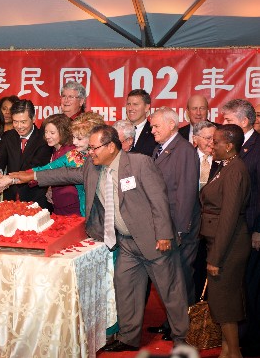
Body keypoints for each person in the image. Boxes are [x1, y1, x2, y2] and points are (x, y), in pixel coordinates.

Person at [11, 125, 189, 351]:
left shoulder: (139, 163)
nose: (90, 152)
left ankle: (182, 338)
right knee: (125, 289)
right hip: (126, 243)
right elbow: (65, 173)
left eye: (94, 148)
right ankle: (129, 338)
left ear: (111, 147)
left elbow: (159, 200)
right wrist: (31, 175)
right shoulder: (93, 168)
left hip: (154, 240)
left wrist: (164, 234)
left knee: (170, 290)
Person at [148, 107, 200, 340]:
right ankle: (171, 322)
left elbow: (187, 193)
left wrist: (179, 229)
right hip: (165, 225)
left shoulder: (184, 151)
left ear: (172, 125)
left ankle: (184, 328)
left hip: (181, 228)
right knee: (170, 277)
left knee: (181, 278)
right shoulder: (160, 149)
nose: (152, 130)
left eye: (156, 126)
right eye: (151, 126)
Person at [199, 124, 251, 358]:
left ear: (229, 146)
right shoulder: (225, 167)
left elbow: (229, 217)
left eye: (216, 142)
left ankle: (234, 354)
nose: (212, 145)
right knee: (223, 300)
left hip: (228, 246)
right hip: (221, 243)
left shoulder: (235, 170)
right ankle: (227, 351)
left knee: (224, 302)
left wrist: (216, 258)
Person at [221, 99, 260, 357]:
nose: (222, 125)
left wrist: (258, 229)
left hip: (251, 228)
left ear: (244, 122)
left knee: (252, 285)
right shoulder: (233, 148)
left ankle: (253, 339)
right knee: (238, 285)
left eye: (228, 120)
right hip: (233, 230)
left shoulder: (257, 148)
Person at [0, 100, 52, 209]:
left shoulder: (44, 139)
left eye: (23, 122)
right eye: (15, 122)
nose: (19, 126)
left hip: (35, 199)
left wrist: (9, 180)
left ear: (33, 119)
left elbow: (34, 168)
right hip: (10, 199)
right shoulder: (8, 136)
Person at [191, 121, 218, 303]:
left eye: (215, 139)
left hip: (215, 228)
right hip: (191, 227)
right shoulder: (186, 158)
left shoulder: (223, 161)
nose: (211, 143)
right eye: (208, 138)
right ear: (195, 139)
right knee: (191, 273)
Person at [37, 113, 80, 215]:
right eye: (46, 132)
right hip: (58, 203)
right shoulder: (55, 149)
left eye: (52, 133)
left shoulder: (70, 151)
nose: (47, 136)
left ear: (63, 132)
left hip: (70, 204)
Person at [125, 89, 157, 156]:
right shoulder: (118, 131)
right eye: (128, 104)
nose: (130, 108)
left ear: (146, 107)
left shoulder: (154, 133)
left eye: (135, 104)